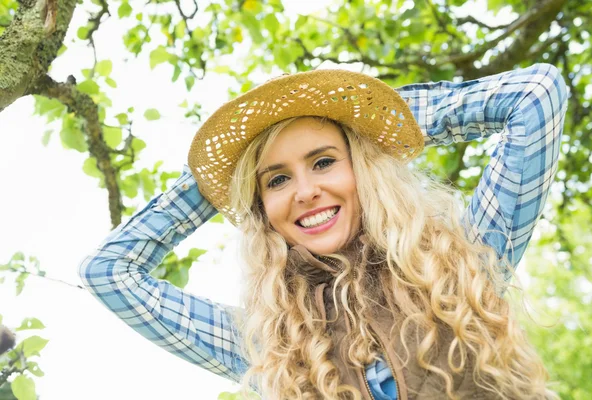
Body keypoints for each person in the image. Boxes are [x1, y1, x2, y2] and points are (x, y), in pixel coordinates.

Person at [79, 63, 567, 399]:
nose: (305, 191)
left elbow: (536, 96)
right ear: (261, 208)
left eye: (325, 161)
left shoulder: (461, 260)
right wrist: (215, 178)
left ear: (363, 169)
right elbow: (109, 272)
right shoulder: (268, 341)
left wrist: (375, 121)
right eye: (277, 179)